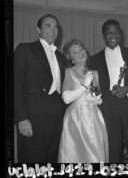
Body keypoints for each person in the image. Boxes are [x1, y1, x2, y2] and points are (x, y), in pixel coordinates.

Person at [90, 19, 128, 163]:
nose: (113, 35)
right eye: (109, 32)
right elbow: (93, 86)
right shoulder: (94, 59)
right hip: (108, 108)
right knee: (112, 150)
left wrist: (127, 90)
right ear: (103, 36)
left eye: (116, 32)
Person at [14, 14, 67, 162]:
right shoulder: (25, 49)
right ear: (38, 30)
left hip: (57, 115)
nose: (53, 30)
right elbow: (15, 85)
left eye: (56, 26)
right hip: (33, 115)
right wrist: (21, 118)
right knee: (32, 160)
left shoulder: (61, 57)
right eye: (48, 26)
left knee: (52, 158)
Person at [58, 39, 109, 163]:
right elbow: (66, 99)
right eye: (74, 52)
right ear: (70, 57)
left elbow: (97, 94)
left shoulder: (94, 73)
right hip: (76, 117)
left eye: (81, 49)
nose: (80, 52)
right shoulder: (68, 71)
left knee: (96, 154)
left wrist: (96, 99)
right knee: (76, 155)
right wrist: (84, 85)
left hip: (94, 117)